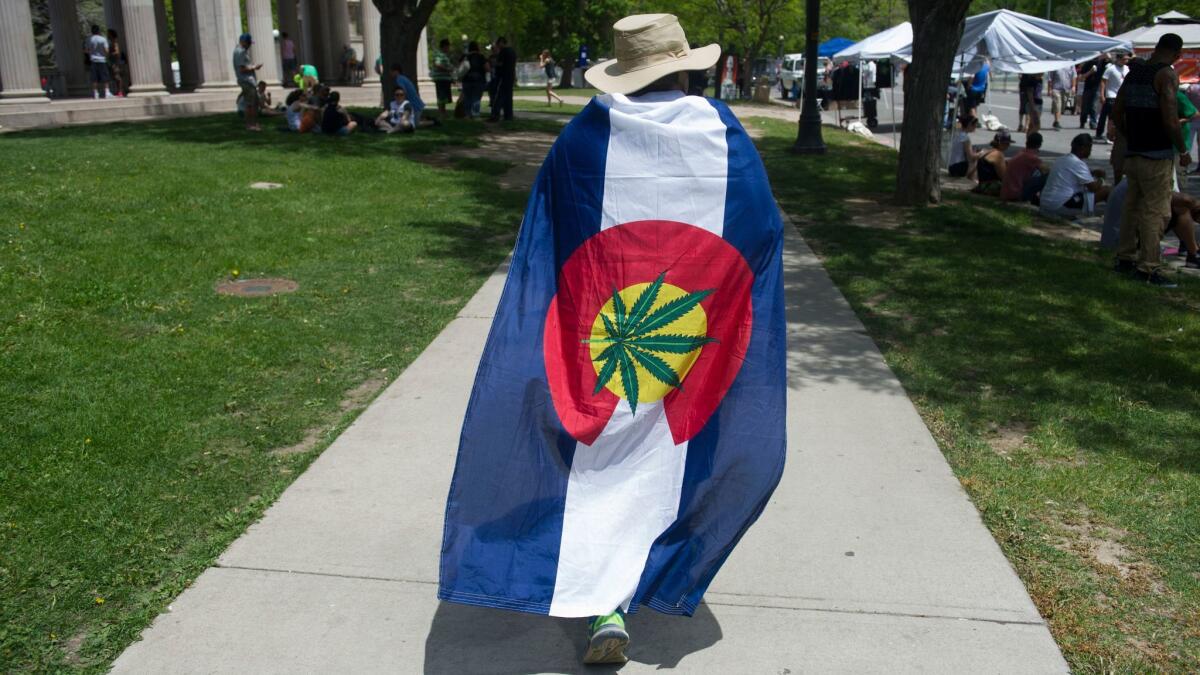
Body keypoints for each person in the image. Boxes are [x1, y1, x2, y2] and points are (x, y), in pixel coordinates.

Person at [439, 13, 784, 668]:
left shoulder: (586, 134)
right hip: (685, 330)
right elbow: (760, 225)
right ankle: (626, 591)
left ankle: (603, 599)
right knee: (662, 456)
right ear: (685, 68)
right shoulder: (723, 133)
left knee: (598, 457)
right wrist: (719, 290)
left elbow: (552, 224)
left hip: (602, 329)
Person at [1112, 34, 1188, 287]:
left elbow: (1117, 110)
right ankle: (1148, 267)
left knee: (1132, 208)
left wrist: (1128, 134)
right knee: (1156, 212)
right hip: (1156, 156)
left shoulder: (1135, 71)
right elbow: (1170, 118)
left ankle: (1124, 258)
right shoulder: (1166, 74)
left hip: (1133, 153)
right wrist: (1183, 149)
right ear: (1177, 55)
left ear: (1156, 48)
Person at [1039, 134, 1110, 217]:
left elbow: (1074, 175)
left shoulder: (1061, 159)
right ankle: (1112, 218)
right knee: (1106, 190)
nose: (1090, 151)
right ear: (1083, 148)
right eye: (1090, 148)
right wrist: (1101, 179)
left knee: (1084, 192)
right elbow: (1093, 188)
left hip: (1045, 204)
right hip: (1059, 206)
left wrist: (1092, 173)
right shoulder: (1078, 164)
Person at [1002, 132, 1049, 202]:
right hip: (1016, 193)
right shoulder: (1032, 158)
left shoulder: (1022, 152)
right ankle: (1045, 200)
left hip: (1007, 192)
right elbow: (1046, 171)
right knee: (1046, 177)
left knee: (1036, 174)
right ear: (1039, 145)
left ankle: (1035, 198)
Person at [1095, 52, 1128, 144]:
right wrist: (1102, 94)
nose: (1125, 61)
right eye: (1124, 59)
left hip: (1122, 97)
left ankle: (1109, 133)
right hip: (1111, 96)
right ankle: (1109, 135)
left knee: (1111, 116)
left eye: (1126, 59)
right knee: (1111, 117)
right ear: (1118, 59)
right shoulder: (1111, 69)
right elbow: (1103, 82)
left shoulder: (1127, 69)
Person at [233, 33, 263, 131]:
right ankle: (250, 125)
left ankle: (254, 123)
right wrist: (254, 67)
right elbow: (242, 68)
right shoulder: (240, 52)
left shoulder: (241, 51)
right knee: (250, 103)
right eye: (249, 43)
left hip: (248, 81)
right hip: (246, 81)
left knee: (254, 103)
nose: (250, 45)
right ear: (244, 42)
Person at [488, 36, 516, 122]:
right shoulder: (512, 51)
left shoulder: (503, 51)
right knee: (508, 97)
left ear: (501, 43)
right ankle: (508, 115)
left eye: (498, 43)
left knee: (499, 97)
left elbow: (500, 64)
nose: (497, 45)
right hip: (510, 76)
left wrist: (494, 64)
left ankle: (495, 115)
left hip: (503, 76)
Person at [974, 131, 1010, 196]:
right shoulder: (998, 154)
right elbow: (1003, 176)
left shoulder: (985, 151)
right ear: (1002, 143)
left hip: (981, 185)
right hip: (991, 187)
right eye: (1007, 144)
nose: (1008, 146)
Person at [948, 115, 981, 179]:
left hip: (951, 167)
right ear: (969, 125)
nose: (975, 127)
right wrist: (981, 153)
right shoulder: (965, 138)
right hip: (958, 168)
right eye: (974, 125)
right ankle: (973, 179)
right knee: (976, 161)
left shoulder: (957, 134)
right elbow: (971, 157)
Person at [460, 41, 487, 118]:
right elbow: (487, 68)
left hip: (466, 80)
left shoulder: (464, 56)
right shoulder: (481, 56)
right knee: (476, 98)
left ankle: (467, 114)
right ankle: (475, 114)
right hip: (479, 80)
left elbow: (460, 68)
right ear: (477, 47)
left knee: (467, 97)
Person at [1078, 55, 1105, 129]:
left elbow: (1110, 62)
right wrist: (1090, 72)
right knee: (1085, 106)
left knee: (1094, 106)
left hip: (1097, 87)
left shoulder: (1102, 63)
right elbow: (1081, 77)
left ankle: (1093, 122)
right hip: (1088, 87)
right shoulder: (1088, 64)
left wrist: (1107, 56)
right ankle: (1083, 121)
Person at [430, 38, 455, 118]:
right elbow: (437, 64)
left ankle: (444, 112)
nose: (449, 48)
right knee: (441, 96)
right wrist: (447, 69)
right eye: (448, 47)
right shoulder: (438, 54)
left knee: (444, 97)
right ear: (444, 46)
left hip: (445, 79)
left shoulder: (444, 55)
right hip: (441, 79)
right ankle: (441, 113)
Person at [85, 25, 110, 100]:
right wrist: (104, 54)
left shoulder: (89, 39)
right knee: (105, 76)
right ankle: (107, 92)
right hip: (102, 60)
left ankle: (96, 93)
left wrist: (91, 53)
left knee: (94, 77)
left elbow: (86, 50)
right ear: (98, 31)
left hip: (93, 60)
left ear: (92, 31)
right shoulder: (103, 39)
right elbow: (106, 50)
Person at [1049, 66, 1074, 130]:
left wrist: (1073, 86)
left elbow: (1074, 75)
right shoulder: (1056, 64)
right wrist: (1050, 89)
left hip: (1066, 89)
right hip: (1056, 89)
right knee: (1058, 105)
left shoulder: (1071, 64)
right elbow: (1050, 78)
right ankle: (1057, 121)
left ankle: (1056, 120)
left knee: (1063, 107)